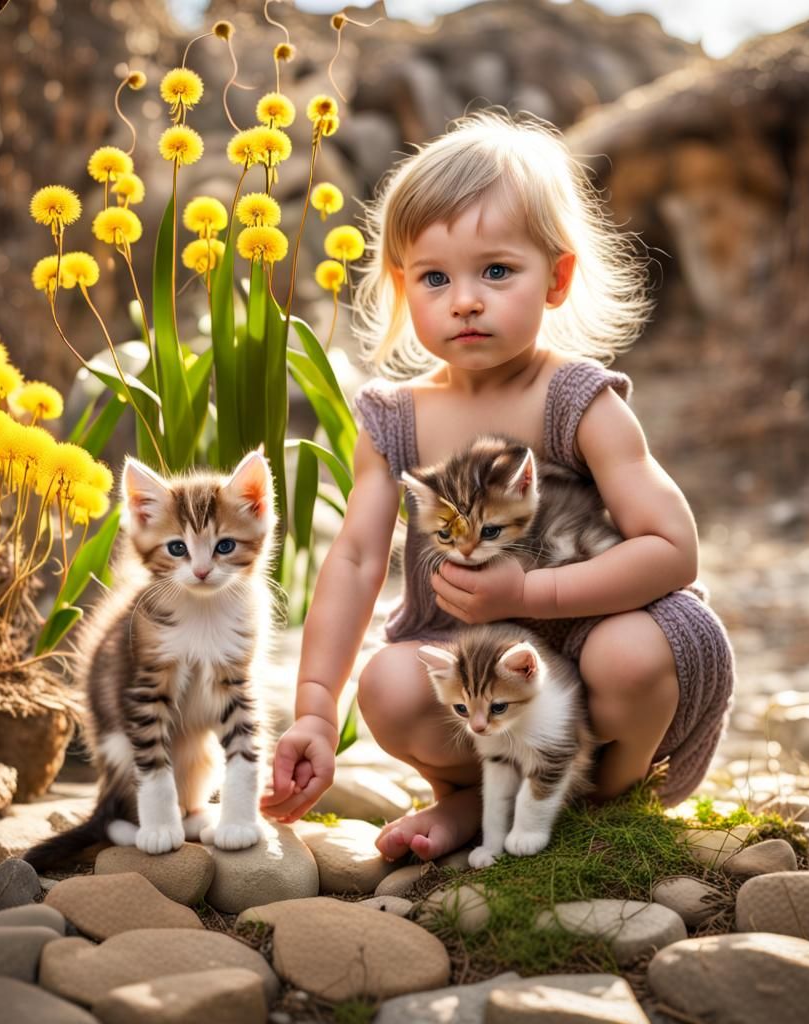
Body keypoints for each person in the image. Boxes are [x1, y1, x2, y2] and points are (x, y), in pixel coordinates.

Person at [260, 110, 734, 862]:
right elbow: (353, 559)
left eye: (497, 271)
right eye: (436, 277)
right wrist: (315, 711)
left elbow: (673, 549)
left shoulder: (578, 402)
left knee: (632, 656)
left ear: (557, 278)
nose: (466, 300)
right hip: (481, 666)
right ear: (403, 286)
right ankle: (476, 797)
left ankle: (609, 795)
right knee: (389, 686)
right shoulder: (394, 420)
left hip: (603, 638)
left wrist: (529, 593)